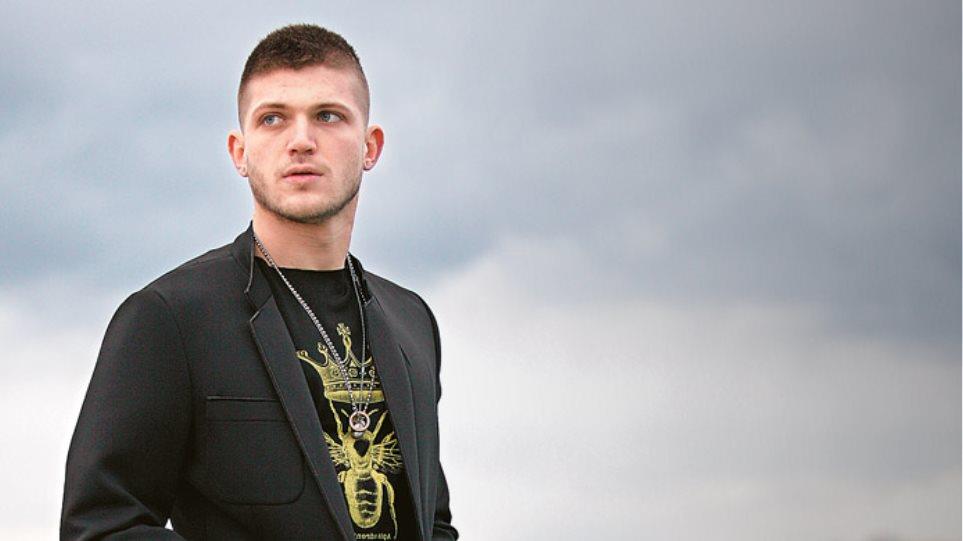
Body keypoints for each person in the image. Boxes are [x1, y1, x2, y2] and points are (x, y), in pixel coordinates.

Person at [61, 24, 458, 541]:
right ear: (240, 152)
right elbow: (101, 526)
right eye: (273, 118)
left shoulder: (413, 322)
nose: (301, 141)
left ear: (370, 146)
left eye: (328, 115)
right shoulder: (169, 318)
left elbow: (432, 521)